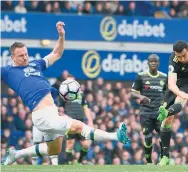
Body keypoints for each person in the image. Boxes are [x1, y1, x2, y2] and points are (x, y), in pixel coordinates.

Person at [1, 21, 129, 165]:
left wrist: (61, 35)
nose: (25, 57)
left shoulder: (35, 64)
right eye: (20, 56)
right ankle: (116, 136)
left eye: (26, 54)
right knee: (79, 127)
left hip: (52, 112)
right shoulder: (7, 71)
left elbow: (57, 53)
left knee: (53, 150)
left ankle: (16, 154)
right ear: (12, 57)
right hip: (41, 114)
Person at [131, 54, 167, 164]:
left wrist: (165, 105)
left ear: (158, 63)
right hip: (145, 112)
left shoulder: (164, 77)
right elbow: (133, 91)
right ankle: (149, 162)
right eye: (151, 61)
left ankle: (163, 159)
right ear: (147, 63)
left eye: (155, 61)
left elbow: (167, 92)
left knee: (163, 136)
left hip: (158, 113)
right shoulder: (141, 76)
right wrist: (141, 97)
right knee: (148, 138)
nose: (153, 63)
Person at [59, 75, 93, 165]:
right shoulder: (63, 94)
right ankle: (69, 163)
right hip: (70, 122)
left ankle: (80, 161)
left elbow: (86, 108)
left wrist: (90, 121)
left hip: (81, 122)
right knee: (70, 143)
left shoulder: (80, 94)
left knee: (86, 144)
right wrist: (64, 116)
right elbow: (60, 110)